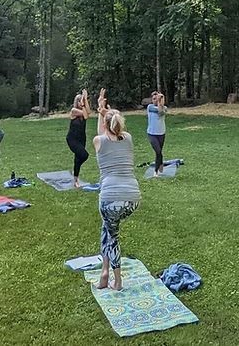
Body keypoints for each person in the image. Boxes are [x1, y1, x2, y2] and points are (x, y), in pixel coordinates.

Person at [93, 88, 140, 290]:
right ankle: (104, 273)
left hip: (111, 198)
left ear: (104, 124)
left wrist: (100, 110)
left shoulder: (99, 141)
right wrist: (105, 110)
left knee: (112, 236)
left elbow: (101, 133)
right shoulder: (128, 138)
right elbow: (110, 129)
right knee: (107, 229)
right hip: (133, 199)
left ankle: (117, 280)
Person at [67, 89, 90, 187]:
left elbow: (88, 112)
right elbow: (85, 115)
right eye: (80, 101)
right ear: (77, 102)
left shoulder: (84, 109)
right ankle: (76, 172)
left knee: (77, 159)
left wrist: (85, 99)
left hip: (82, 138)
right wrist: (83, 103)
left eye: (83, 101)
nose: (82, 103)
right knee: (84, 155)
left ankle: (75, 179)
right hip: (72, 139)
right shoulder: (74, 111)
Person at [146, 91, 168, 176]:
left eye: (157, 99)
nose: (155, 100)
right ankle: (156, 171)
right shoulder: (150, 107)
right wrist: (159, 101)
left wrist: (161, 100)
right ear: (152, 100)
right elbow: (158, 110)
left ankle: (159, 165)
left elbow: (161, 112)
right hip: (151, 133)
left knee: (159, 152)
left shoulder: (165, 108)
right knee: (158, 151)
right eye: (154, 99)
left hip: (161, 133)